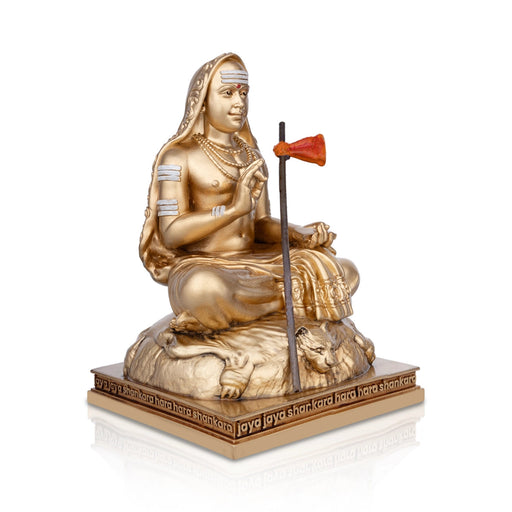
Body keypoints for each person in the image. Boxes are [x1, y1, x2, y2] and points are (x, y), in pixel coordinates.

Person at [139, 53, 359, 332]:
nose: (239, 103)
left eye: (244, 93)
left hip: (257, 263)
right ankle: (285, 301)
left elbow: (261, 224)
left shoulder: (250, 154)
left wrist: (298, 233)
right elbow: (171, 233)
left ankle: (255, 308)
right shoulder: (178, 157)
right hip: (206, 265)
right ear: (203, 101)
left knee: (344, 271)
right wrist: (232, 210)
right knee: (201, 289)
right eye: (228, 93)